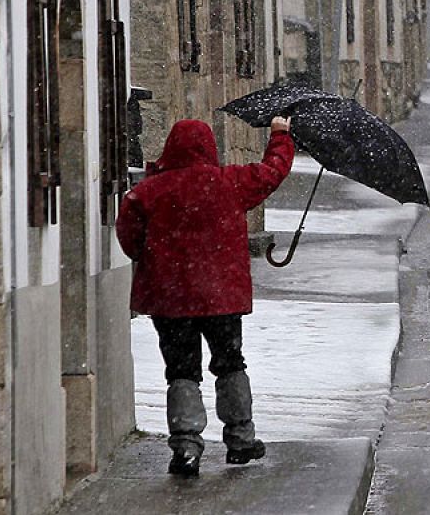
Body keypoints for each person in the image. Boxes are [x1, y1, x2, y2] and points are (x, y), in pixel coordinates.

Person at [117, 116, 296, 478]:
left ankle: (186, 446)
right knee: (230, 363)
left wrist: (156, 261)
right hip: (221, 297)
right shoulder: (230, 183)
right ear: (209, 147)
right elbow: (272, 172)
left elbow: (129, 237)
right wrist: (281, 137)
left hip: (171, 299)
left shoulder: (150, 192)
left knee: (181, 370)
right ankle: (240, 439)